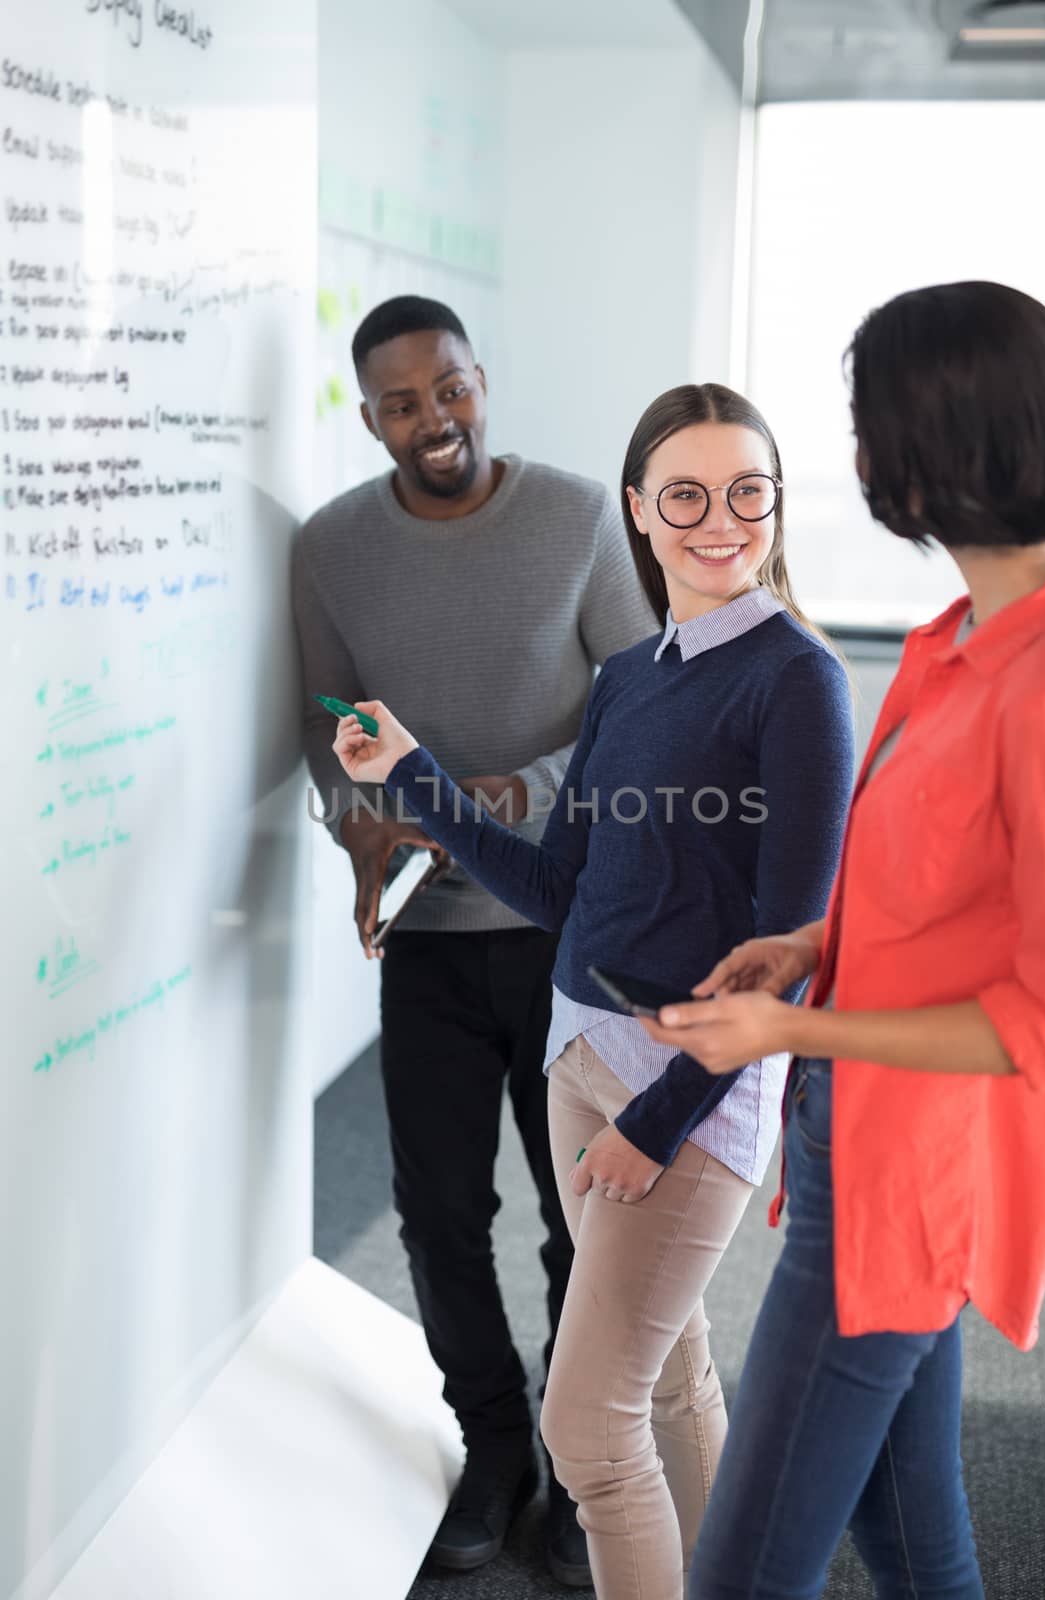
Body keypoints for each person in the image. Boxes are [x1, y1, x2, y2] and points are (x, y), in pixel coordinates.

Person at [326, 382, 855, 1600]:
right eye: (684, 494)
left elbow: (789, 954)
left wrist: (655, 1118)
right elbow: (560, 886)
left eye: (746, 493)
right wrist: (409, 774)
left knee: (589, 1435)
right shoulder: (627, 677)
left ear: (776, 506)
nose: (717, 521)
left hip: (681, 1093)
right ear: (637, 509)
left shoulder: (794, 682)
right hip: (579, 1052)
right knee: (669, 1377)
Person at [640, 282, 1045, 1600]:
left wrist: (787, 1029)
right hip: (848, 1143)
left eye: (864, 425)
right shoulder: (956, 641)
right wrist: (810, 946)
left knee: (743, 1571)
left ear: (939, 441)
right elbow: (948, 899)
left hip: (908, 1184)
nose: (856, 457)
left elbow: (1042, 1014)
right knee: (905, 1527)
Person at [292, 295, 656, 1584]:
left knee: (581, 1221)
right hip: (433, 941)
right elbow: (331, 730)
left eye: (446, 389)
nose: (431, 419)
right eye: (400, 402)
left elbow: (641, 710)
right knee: (438, 1214)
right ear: (370, 414)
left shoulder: (568, 517)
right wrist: (359, 826)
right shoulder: (333, 547)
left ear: (477, 381)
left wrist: (488, 800)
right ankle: (492, 1447)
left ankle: (572, 1460)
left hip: (569, 934)